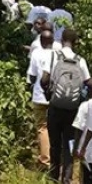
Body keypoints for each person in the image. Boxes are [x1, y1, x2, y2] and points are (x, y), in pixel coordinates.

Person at [41, 28, 91, 184]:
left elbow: (44, 79)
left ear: (61, 40)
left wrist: (48, 93)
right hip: (72, 111)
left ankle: (53, 180)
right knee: (69, 146)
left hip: (55, 109)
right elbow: (88, 83)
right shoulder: (80, 60)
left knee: (54, 146)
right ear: (75, 42)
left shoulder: (54, 56)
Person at [27, 28, 56, 169]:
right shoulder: (59, 54)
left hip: (39, 96)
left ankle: (45, 160)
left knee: (42, 128)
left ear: (41, 41)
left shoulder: (36, 53)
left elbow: (31, 76)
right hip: (55, 97)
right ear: (53, 41)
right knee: (55, 128)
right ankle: (57, 158)